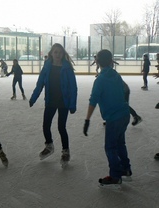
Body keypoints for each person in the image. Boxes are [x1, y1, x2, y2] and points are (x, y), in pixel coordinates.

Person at [83, 49, 131, 188]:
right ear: (111, 61)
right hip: (124, 114)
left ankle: (115, 176)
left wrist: (87, 120)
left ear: (97, 61)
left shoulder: (100, 80)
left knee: (110, 147)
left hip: (114, 118)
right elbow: (125, 90)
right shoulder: (116, 74)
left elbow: (93, 101)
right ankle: (126, 169)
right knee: (120, 143)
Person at [29, 43, 77, 167]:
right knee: (46, 125)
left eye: (60, 52)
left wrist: (72, 104)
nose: (57, 54)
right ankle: (49, 145)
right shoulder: (47, 67)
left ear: (63, 54)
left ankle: (65, 151)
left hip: (63, 102)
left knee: (61, 127)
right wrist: (34, 97)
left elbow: (73, 88)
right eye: (55, 52)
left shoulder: (67, 68)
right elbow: (40, 84)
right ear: (51, 53)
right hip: (50, 101)